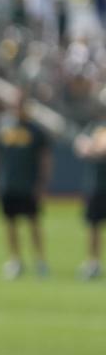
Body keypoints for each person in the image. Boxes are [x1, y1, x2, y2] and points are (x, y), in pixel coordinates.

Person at [0, 90, 53, 279]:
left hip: (28, 184)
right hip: (8, 184)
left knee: (33, 223)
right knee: (10, 223)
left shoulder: (36, 131)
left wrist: (42, 184)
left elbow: (44, 159)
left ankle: (40, 261)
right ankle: (15, 260)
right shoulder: (3, 128)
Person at [71, 114, 106, 280]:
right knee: (93, 225)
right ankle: (93, 263)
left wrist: (94, 149)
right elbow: (80, 146)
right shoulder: (95, 125)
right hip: (96, 185)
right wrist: (94, 149)